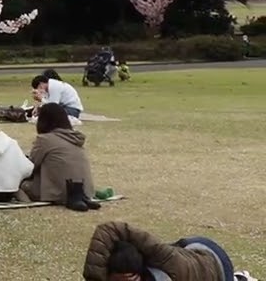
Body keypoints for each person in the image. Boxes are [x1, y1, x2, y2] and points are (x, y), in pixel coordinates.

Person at [82, 221, 242, 281]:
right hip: (186, 252)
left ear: (133, 277)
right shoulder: (152, 254)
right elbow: (108, 230)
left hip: (217, 264)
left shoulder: (163, 273)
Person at [20, 103, 98, 211]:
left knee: (22, 185)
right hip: (85, 190)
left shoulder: (45, 140)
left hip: (57, 192)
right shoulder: (74, 138)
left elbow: (30, 166)